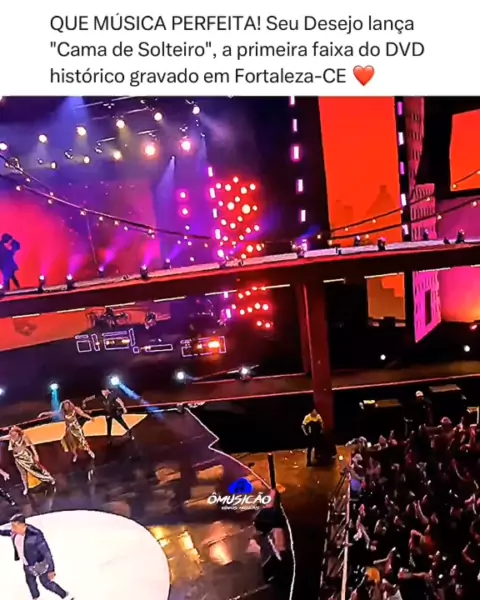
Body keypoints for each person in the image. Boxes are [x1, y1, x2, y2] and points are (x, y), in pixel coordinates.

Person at [0, 513, 74, 599]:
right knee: (30, 582)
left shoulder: (35, 536)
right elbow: (6, 532)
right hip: (27, 563)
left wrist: (51, 569)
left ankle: (65, 595)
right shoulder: (14, 533)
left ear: (22, 525)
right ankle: (35, 597)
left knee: (46, 583)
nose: (12, 528)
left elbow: (47, 553)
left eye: (14, 526)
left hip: (39, 564)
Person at [7, 426, 55, 495]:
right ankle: (26, 488)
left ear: (18, 432)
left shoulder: (24, 437)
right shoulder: (10, 438)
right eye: (11, 434)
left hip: (26, 457)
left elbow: (31, 445)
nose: (13, 435)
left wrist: (36, 455)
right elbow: (1, 438)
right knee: (23, 474)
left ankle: (50, 479)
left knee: (36, 470)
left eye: (14, 434)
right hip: (18, 458)